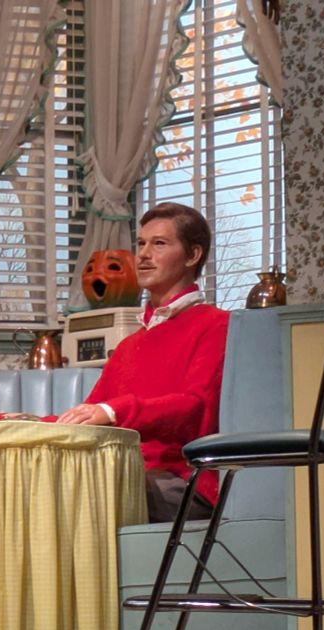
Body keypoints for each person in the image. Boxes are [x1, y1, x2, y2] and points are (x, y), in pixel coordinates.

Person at [56, 202, 230, 523]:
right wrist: (13, 421)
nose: (143, 255)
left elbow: (195, 407)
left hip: (184, 480)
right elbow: (86, 413)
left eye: (159, 244)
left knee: (86, 493)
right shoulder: (129, 346)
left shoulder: (216, 324)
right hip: (129, 472)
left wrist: (114, 411)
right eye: (141, 244)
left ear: (193, 256)